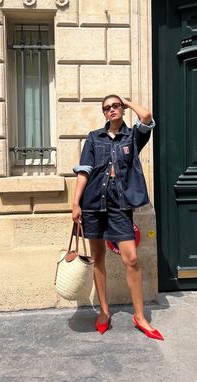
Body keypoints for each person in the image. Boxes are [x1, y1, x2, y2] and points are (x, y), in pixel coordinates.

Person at [72, 94, 164, 340]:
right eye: (106, 108)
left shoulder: (132, 136)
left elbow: (146, 117)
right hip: (93, 203)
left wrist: (127, 101)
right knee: (98, 257)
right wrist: (75, 203)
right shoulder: (94, 138)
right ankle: (104, 311)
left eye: (115, 106)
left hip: (120, 204)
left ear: (121, 109)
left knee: (131, 259)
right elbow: (84, 172)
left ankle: (140, 316)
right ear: (103, 113)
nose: (111, 110)